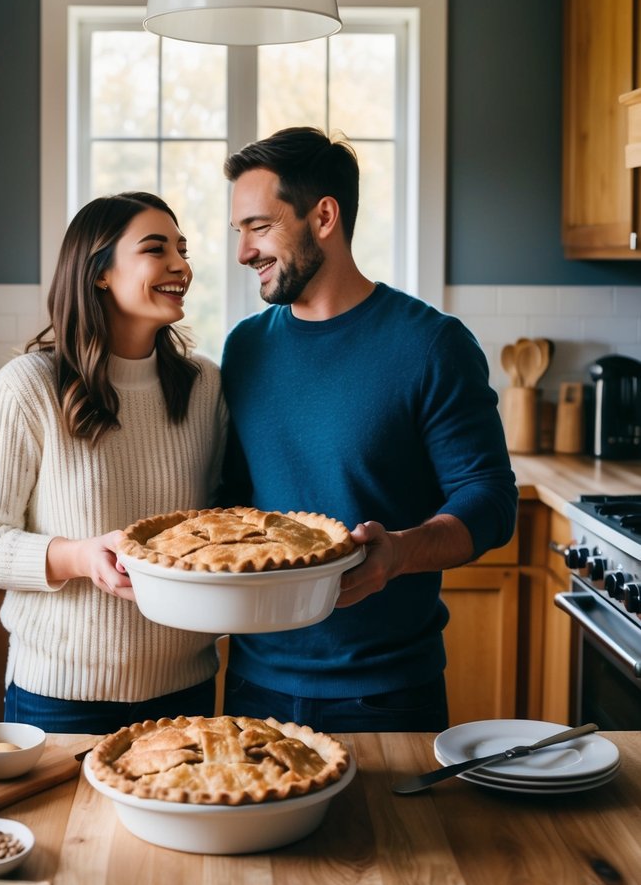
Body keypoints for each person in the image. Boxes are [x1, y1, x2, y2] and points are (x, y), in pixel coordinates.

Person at [218, 127, 517, 733]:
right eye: (237, 232)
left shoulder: (431, 344)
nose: (244, 252)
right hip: (254, 685)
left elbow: (490, 500)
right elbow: (228, 503)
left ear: (323, 216)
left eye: (259, 226)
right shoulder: (245, 348)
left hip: (387, 692)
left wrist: (401, 552)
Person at [0, 192, 227, 733]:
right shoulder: (27, 387)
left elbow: (215, 525)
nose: (180, 265)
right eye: (156, 249)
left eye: (182, 248)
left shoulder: (204, 386)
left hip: (186, 692)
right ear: (99, 272)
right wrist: (79, 556)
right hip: (60, 697)